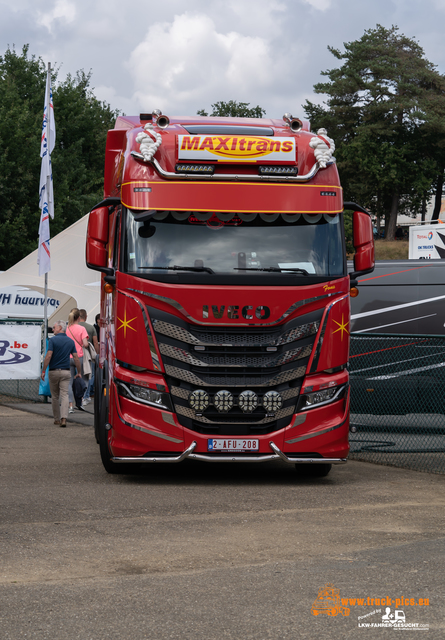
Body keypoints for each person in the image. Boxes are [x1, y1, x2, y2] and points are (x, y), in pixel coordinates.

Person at [41, 320, 82, 427]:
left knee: (55, 396)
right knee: (65, 395)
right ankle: (64, 418)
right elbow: (76, 358)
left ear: (60, 328)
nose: (53, 329)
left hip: (53, 371)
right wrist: (79, 371)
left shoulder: (53, 340)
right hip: (66, 371)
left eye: (54, 327)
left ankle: (56, 418)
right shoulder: (70, 341)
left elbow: (49, 356)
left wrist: (44, 370)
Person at [66, 308, 89, 413]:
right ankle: (80, 401)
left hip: (68, 356)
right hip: (78, 357)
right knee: (83, 379)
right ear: (79, 318)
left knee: (69, 382)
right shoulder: (82, 329)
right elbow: (85, 344)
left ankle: (70, 406)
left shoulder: (67, 328)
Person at [79, 309, 99, 406]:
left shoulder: (72, 327)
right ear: (86, 316)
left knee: (77, 375)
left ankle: (77, 396)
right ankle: (86, 396)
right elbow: (95, 342)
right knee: (88, 375)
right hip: (87, 355)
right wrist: (97, 355)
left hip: (75, 354)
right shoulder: (91, 328)